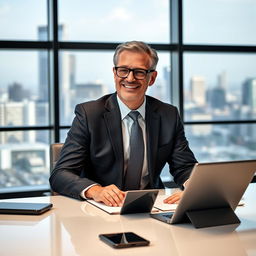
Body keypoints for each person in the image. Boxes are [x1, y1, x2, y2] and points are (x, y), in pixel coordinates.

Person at [49, 41, 197, 207]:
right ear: (114, 73)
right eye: (123, 70)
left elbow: (184, 167)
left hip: (152, 207)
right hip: (99, 209)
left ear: (152, 78)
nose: (130, 78)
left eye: (139, 72)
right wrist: (96, 190)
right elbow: (60, 174)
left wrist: (193, 186)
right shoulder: (89, 114)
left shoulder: (168, 115)